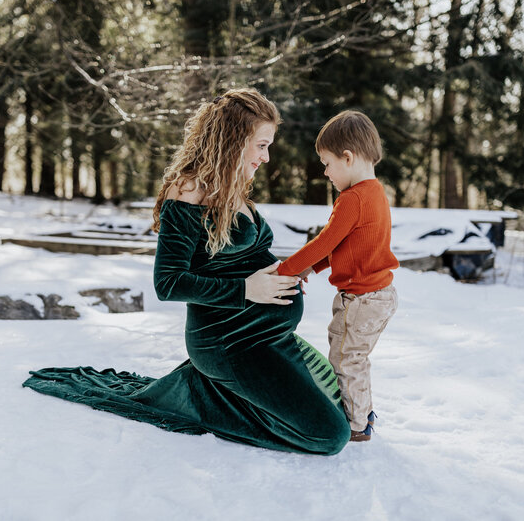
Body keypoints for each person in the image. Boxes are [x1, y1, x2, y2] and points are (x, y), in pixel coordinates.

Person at [23, 88, 350, 455]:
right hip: (230, 343)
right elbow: (168, 283)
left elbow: (241, 255)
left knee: (340, 414)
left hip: (267, 337)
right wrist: (246, 290)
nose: (266, 156)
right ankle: (203, 396)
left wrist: (281, 269)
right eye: (261, 145)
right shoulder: (189, 191)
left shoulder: (234, 189)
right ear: (235, 138)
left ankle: (223, 388)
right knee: (329, 436)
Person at [277, 110, 399, 442]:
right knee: (353, 355)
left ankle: (356, 424)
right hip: (379, 294)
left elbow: (325, 242)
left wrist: (284, 270)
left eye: (327, 163)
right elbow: (346, 247)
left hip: (361, 298)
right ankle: (362, 409)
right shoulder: (375, 193)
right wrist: (310, 268)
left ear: (348, 158)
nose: (325, 172)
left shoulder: (352, 199)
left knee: (345, 358)